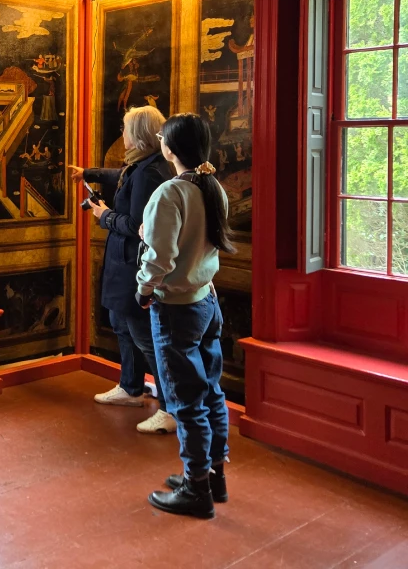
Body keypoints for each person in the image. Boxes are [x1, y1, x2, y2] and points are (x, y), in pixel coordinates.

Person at [136, 113, 235, 519]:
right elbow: (201, 246)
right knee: (210, 391)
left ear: (170, 148)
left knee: (185, 400)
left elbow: (161, 257)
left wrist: (144, 288)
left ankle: (196, 489)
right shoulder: (214, 188)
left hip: (176, 308)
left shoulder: (169, 193)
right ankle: (213, 476)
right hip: (207, 301)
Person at [69, 105, 175, 434]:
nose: (123, 134)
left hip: (133, 263)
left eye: (127, 128)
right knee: (120, 323)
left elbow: (138, 224)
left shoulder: (149, 171)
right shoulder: (142, 164)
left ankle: (171, 407)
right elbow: (121, 178)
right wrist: (89, 173)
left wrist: (104, 216)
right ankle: (130, 387)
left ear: (138, 134)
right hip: (123, 261)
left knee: (144, 335)